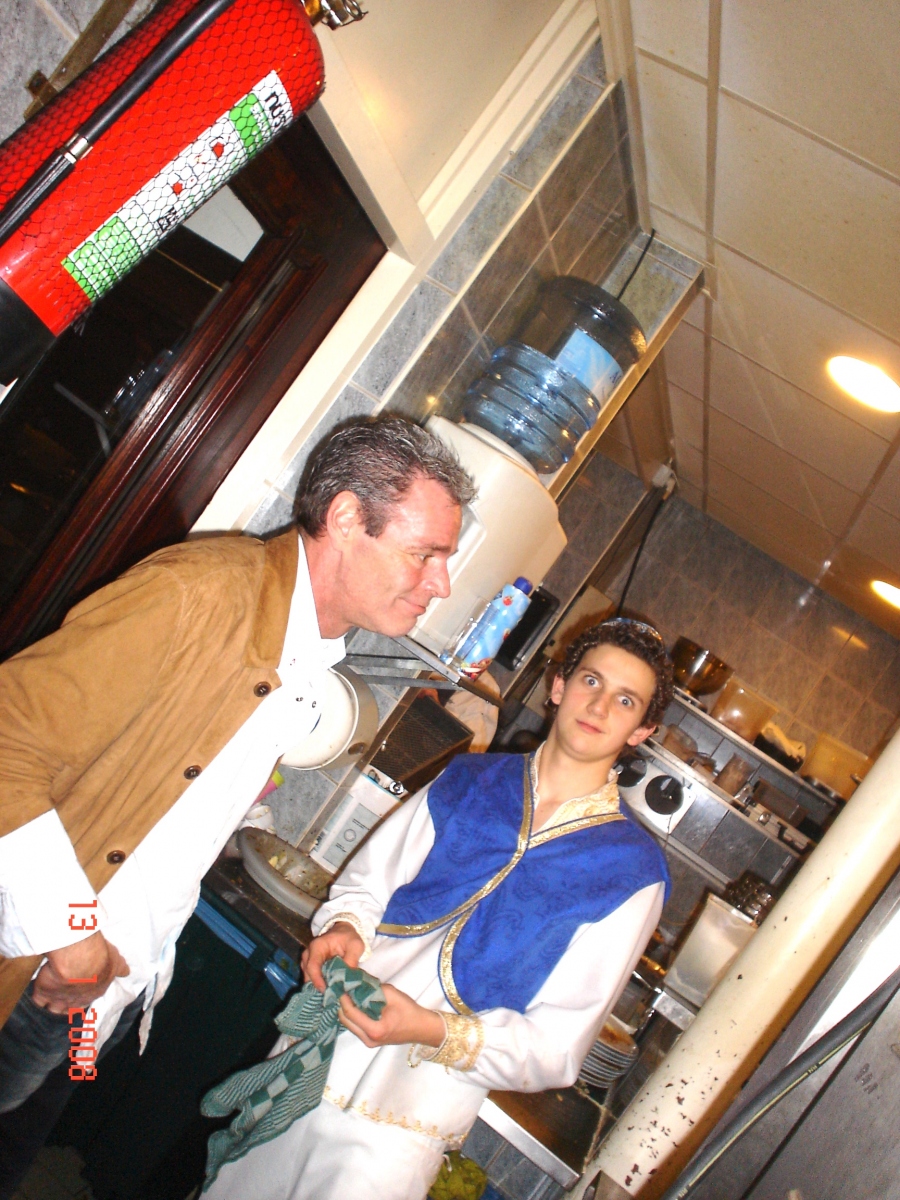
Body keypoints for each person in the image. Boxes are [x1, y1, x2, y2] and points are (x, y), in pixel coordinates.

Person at [0, 415, 475, 1196]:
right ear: (346, 518)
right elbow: (9, 740)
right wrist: (72, 935)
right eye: (425, 553)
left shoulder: (307, 657)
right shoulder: (200, 592)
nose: (441, 582)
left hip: (107, 996)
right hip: (42, 973)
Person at [208, 618, 674, 1200]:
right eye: (591, 681)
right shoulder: (469, 780)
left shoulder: (631, 873)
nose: (600, 706)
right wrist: (345, 928)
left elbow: (555, 1050)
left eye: (625, 700)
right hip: (312, 1052)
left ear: (642, 730)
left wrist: (428, 1029)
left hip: (401, 1126)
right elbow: (366, 886)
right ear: (558, 685)